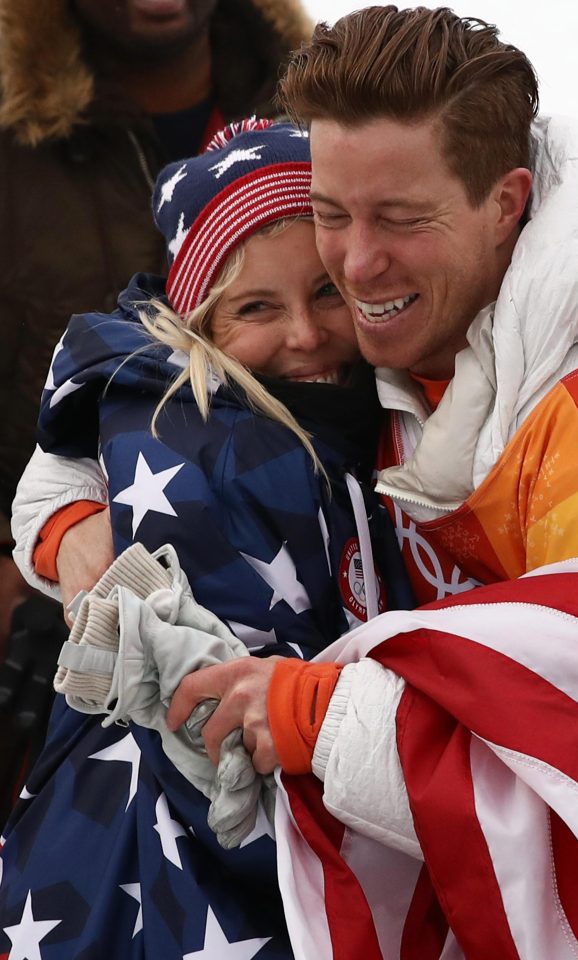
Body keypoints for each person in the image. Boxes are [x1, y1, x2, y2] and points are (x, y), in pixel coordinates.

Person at [11, 5, 578, 953]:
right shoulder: (388, 356)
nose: (356, 262)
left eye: (400, 219)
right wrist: (70, 519)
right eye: (333, 215)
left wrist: (318, 715)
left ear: (505, 204)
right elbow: (127, 389)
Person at [0, 119, 412, 960]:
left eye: (326, 291)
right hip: (167, 875)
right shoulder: (207, 441)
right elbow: (221, 725)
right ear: (200, 328)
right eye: (257, 306)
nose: (304, 335)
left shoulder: (367, 426)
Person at [0, 0, 312, 821]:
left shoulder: (326, 110)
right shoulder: (12, 142)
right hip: (40, 636)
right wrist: (30, 556)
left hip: (301, 641)